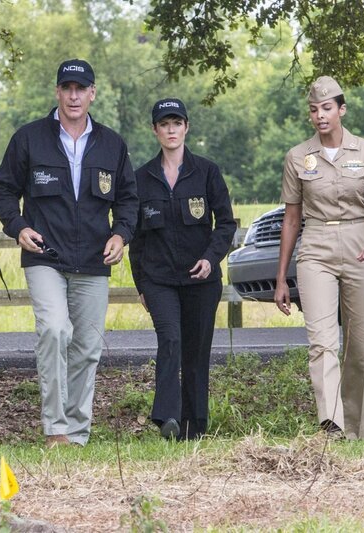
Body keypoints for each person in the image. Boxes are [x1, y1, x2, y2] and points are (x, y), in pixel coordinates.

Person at [0, 59, 138, 447]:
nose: (74, 96)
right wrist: (18, 226)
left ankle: (77, 434)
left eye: (81, 89)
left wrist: (121, 235)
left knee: (87, 348)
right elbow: (3, 189)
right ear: (57, 92)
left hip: (94, 259)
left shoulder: (112, 144)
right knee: (55, 330)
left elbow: (129, 199)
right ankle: (56, 429)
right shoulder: (29, 138)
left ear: (93, 93)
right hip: (45, 255)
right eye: (67, 88)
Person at [274, 76, 364, 440]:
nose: (320, 116)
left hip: (360, 244)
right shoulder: (298, 156)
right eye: (314, 110)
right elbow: (291, 220)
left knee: (359, 347)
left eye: (327, 108)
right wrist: (281, 279)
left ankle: (356, 430)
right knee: (323, 342)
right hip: (316, 247)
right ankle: (332, 425)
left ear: (341, 110)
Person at [129, 98, 236, 441]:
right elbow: (135, 237)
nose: (171, 130)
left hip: (201, 279)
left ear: (186, 127)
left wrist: (211, 258)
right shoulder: (141, 178)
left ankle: (194, 428)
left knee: (196, 352)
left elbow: (226, 223)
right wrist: (141, 285)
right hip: (159, 279)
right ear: (155, 130)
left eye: (177, 123)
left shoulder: (206, 172)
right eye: (164, 124)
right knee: (170, 339)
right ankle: (167, 418)